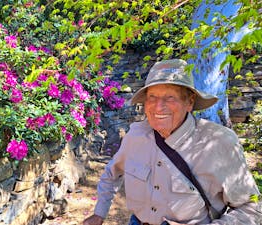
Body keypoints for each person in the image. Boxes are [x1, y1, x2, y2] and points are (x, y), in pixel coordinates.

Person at [83, 59, 262, 225]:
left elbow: (251, 208)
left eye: (170, 97)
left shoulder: (218, 142)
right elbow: (112, 173)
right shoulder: (135, 135)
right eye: (152, 97)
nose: (158, 106)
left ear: (189, 102)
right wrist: (100, 212)